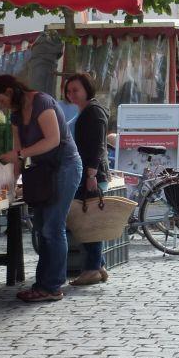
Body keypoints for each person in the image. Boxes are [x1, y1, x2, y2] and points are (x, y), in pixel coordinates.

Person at [0, 75, 82, 303]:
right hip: (43, 172)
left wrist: (19, 155)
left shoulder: (42, 102)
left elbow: (53, 139)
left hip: (65, 166)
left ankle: (52, 286)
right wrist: (8, 187)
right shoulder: (15, 115)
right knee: (41, 228)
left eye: (1, 100)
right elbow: (17, 154)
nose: (0, 105)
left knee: (53, 227)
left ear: (10, 92)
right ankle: (42, 284)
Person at [63, 73, 111, 288]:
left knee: (87, 222)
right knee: (85, 220)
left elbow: (97, 146)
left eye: (76, 90)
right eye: (69, 90)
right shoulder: (85, 110)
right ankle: (97, 265)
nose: (71, 94)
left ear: (87, 90)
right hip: (85, 174)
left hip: (92, 175)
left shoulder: (93, 112)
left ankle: (92, 268)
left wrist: (91, 174)